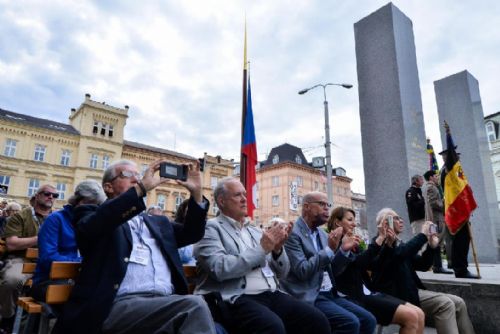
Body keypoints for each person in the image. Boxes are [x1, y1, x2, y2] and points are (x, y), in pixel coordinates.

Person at [55, 159, 216, 334]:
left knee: (195, 308)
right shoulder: (91, 214)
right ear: (108, 187)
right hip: (114, 306)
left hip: (164, 303)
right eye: (128, 175)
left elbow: (192, 233)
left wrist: (197, 193)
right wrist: (140, 190)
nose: (137, 179)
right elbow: (96, 224)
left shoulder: (158, 222)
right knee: (193, 306)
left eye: (138, 175)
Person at [194, 177, 330, 334]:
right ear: (222, 201)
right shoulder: (210, 228)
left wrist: (278, 250)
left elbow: (282, 273)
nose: (245, 199)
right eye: (238, 195)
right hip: (234, 297)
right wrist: (262, 249)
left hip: (270, 293)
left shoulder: (254, 231)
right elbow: (220, 268)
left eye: (245, 194)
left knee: (316, 321)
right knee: (272, 327)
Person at [280, 192, 376, 334]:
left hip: (330, 293)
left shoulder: (323, 234)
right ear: (306, 207)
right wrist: (329, 250)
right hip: (309, 295)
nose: (327, 208)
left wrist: (343, 250)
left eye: (328, 205)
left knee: (369, 320)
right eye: (321, 204)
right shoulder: (293, 233)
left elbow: (333, 271)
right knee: (350, 322)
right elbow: (302, 270)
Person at [370, 208, 475, 334]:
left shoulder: (399, 244)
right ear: (385, 223)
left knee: (459, 302)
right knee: (445, 304)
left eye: (400, 218)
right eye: (396, 218)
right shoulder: (379, 244)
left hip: (410, 291)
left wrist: (432, 246)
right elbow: (399, 255)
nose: (401, 221)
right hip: (395, 295)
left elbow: (423, 264)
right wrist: (423, 235)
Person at [327, 206, 424, 334]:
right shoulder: (333, 244)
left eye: (354, 220)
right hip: (355, 297)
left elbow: (374, 265)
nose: (354, 223)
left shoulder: (354, 243)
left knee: (419, 313)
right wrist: (380, 239)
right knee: (411, 316)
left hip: (370, 292)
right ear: (338, 222)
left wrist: (388, 245)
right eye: (350, 220)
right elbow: (359, 263)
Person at [30, 180, 106, 302]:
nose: (95, 209)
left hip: (78, 279)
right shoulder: (55, 219)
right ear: (80, 201)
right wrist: (83, 263)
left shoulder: (91, 223)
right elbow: (48, 258)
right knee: (85, 299)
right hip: (47, 281)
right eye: (92, 204)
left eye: (98, 206)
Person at [0, 184, 57, 332]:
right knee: (11, 281)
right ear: (36, 196)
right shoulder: (20, 216)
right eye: (47, 193)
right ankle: (8, 319)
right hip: (21, 259)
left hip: (50, 262)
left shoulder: (57, 217)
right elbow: (12, 244)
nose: (51, 197)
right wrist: (40, 239)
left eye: (54, 195)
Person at [438, 148, 479, 279]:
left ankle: (459, 267)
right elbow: (456, 189)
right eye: (456, 156)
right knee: (461, 240)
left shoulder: (448, 170)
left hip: (456, 210)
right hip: (457, 210)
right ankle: (461, 269)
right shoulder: (449, 171)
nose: (458, 158)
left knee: (460, 240)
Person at [422, 170, 453, 274]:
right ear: (431, 177)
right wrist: (444, 205)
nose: (437, 177)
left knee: (436, 242)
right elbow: (433, 202)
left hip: (435, 219)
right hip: (436, 219)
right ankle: (437, 267)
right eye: (435, 176)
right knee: (437, 242)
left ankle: (437, 266)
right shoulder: (431, 187)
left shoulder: (430, 187)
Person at [174, 199, 196, 265]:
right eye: (189, 211)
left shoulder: (204, 230)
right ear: (183, 212)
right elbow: (185, 256)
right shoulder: (175, 229)